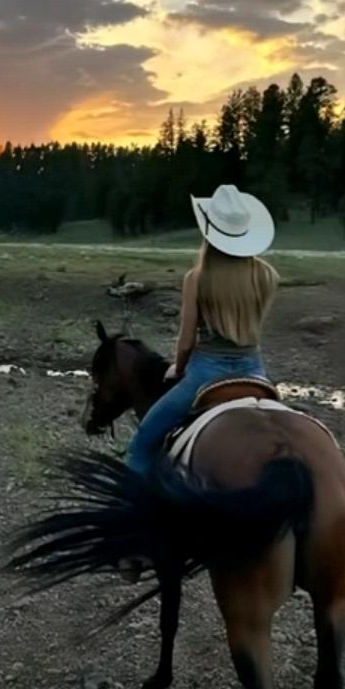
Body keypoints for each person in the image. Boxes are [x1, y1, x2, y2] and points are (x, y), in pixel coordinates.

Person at [124, 184, 279, 477]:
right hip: (255, 372)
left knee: (141, 445)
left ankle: (134, 516)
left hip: (205, 373)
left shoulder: (197, 278)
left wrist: (178, 368)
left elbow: (186, 341)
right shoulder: (267, 275)